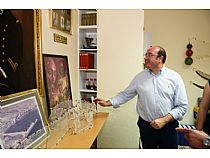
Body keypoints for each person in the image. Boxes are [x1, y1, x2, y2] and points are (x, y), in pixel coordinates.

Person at [94, 45, 188, 149]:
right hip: (146, 128)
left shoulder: (174, 77)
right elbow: (126, 94)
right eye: (146, 54)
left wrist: (164, 120)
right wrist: (108, 102)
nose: (145, 57)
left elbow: (182, 106)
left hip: (168, 127)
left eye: (150, 55)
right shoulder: (140, 77)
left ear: (160, 58)